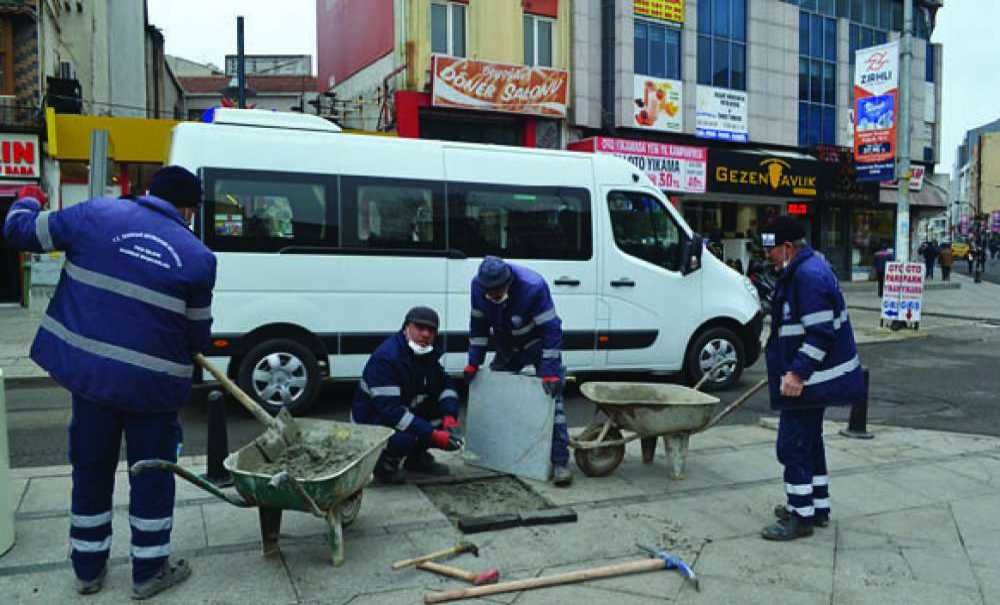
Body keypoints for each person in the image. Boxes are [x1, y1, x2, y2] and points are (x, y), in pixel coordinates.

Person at [2, 167, 216, 598]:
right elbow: (198, 338)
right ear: (188, 210)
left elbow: (19, 233)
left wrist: (27, 198)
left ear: (148, 192)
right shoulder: (197, 257)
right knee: (152, 477)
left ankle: (88, 570)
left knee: (91, 470)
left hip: (92, 383)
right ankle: (148, 572)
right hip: (153, 394)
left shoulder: (95, 214)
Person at [759, 217, 864, 541]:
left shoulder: (807, 277)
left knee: (792, 446)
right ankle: (816, 506)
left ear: (788, 247)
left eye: (771, 250)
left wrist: (796, 373)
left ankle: (800, 515)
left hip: (811, 380)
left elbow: (820, 333)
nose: (768, 257)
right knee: (810, 442)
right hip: (815, 379)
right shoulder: (804, 271)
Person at [464, 256, 572, 487]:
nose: (493, 295)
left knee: (553, 399)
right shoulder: (478, 286)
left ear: (509, 282)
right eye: (489, 291)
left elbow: (552, 330)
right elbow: (479, 326)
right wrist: (474, 361)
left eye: (498, 290)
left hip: (538, 345)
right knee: (495, 391)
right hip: (506, 345)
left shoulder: (533, 286)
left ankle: (560, 461)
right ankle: (497, 453)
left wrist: (550, 371)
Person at [352, 306, 463, 484]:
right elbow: (391, 411)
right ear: (406, 328)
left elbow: (445, 385)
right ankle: (384, 465)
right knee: (407, 436)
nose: (426, 334)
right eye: (420, 328)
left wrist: (450, 415)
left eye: (431, 330)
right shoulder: (387, 358)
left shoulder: (427, 354)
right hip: (370, 422)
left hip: (399, 411)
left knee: (438, 422)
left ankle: (416, 459)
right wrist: (432, 434)